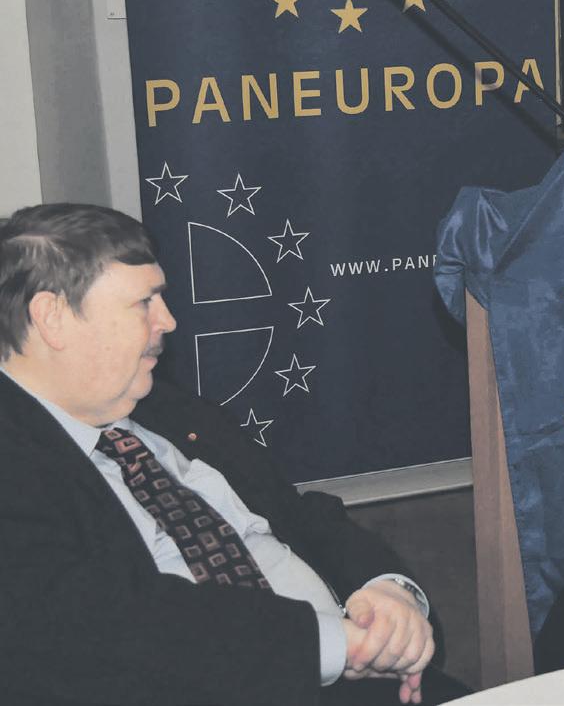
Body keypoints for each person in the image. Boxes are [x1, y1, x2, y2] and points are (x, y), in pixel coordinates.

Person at [0, 203, 470, 705]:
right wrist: (332, 646)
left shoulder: (167, 409)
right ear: (52, 318)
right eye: (144, 302)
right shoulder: (16, 463)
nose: (168, 321)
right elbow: (102, 625)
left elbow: (301, 517)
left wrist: (390, 593)